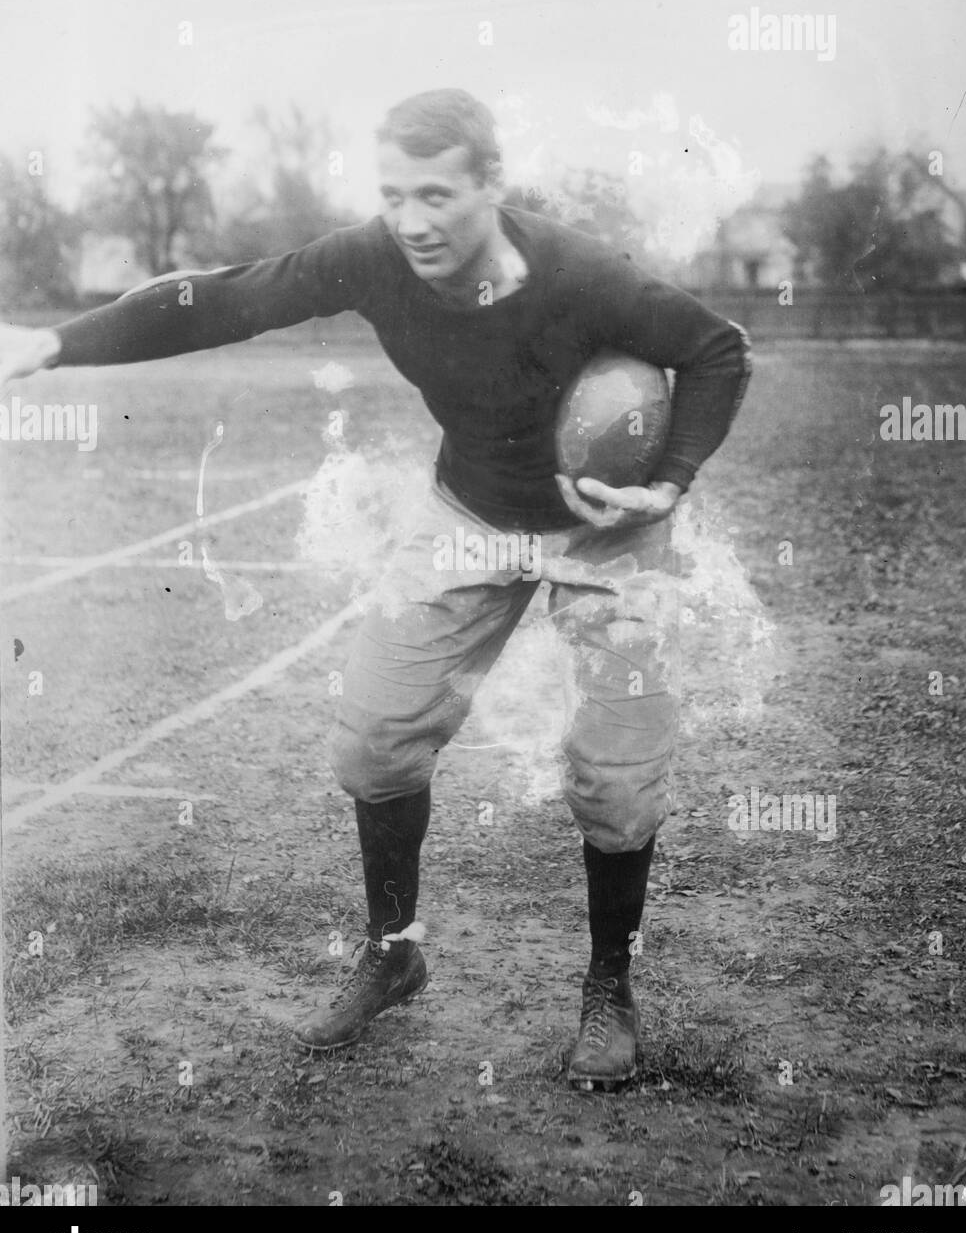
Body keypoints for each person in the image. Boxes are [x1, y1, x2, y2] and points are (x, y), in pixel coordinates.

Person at [0, 88, 751, 1089]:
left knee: (616, 779)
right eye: (395, 194)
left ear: (491, 184)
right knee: (372, 736)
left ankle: (610, 985)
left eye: (438, 194)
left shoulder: (581, 276)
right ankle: (395, 947)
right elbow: (221, 295)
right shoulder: (375, 256)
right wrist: (54, 344)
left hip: (604, 531)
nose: (413, 221)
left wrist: (666, 482)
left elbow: (716, 349)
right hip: (470, 515)